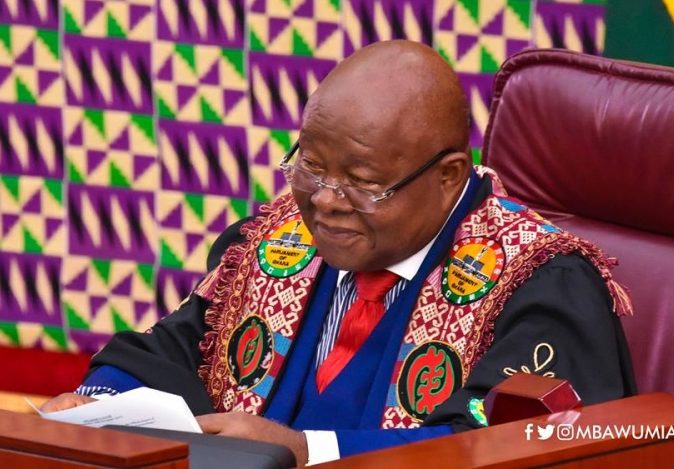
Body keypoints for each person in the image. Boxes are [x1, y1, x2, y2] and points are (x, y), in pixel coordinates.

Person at [42, 40, 636, 466]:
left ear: (449, 176)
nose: (325, 201)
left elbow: (513, 445)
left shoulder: (542, 283)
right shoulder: (277, 240)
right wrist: (100, 403)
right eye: (310, 165)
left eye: (362, 183)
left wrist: (309, 452)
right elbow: (169, 352)